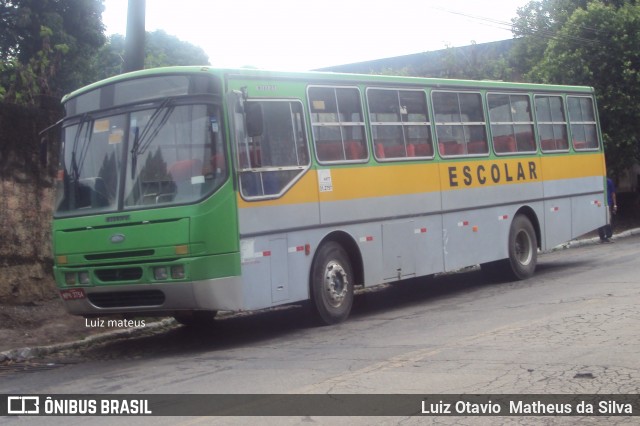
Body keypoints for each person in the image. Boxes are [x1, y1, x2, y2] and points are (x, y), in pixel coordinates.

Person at [599, 177, 617, 243]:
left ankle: (602, 237)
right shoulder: (609, 181)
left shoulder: (600, 181)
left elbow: (612, 193)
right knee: (608, 220)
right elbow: (613, 194)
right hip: (606, 203)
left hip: (601, 204)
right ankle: (607, 236)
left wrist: (615, 204)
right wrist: (615, 205)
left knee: (601, 221)